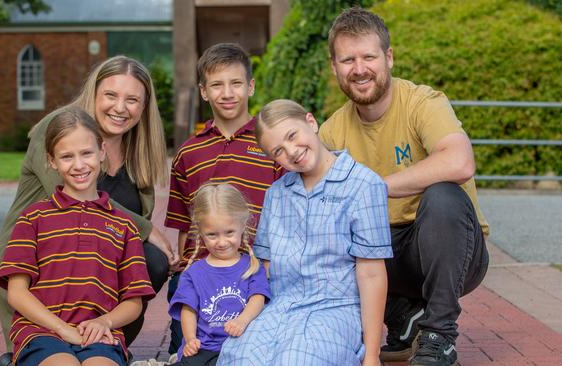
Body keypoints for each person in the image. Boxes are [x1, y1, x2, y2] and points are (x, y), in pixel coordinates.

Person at [319, 8, 490, 366]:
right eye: (348, 59)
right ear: (335, 67)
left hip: (454, 249)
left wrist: (376, 187)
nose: (359, 68)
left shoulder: (423, 103)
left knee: (442, 196)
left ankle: (439, 336)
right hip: (385, 252)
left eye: (369, 56)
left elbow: (459, 162)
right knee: (326, 221)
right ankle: (403, 318)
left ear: (389, 58)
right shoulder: (332, 131)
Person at [0, 56, 176, 366]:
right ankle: (28, 353)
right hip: (45, 268)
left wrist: (105, 323)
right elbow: (74, 200)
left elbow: (131, 249)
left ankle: (106, 344)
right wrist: (149, 229)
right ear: (93, 93)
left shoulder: (136, 151)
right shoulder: (61, 129)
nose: (120, 107)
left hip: (98, 284)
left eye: (132, 99)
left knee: (154, 262)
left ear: (144, 107)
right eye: (111, 95)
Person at [218, 99, 392, 366]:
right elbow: (265, 266)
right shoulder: (277, 193)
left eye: (292, 135)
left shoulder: (364, 185)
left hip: (336, 309)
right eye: (278, 150)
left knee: (295, 359)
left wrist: (372, 354)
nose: (292, 151)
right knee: (238, 355)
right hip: (280, 307)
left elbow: (371, 272)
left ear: (311, 122)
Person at [165, 43, 283, 355]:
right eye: (216, 85)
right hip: (203, 272)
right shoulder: (189, 153)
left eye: (236, 83)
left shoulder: (272, 143)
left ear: (251, 86)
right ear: (203, 91)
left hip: (253, 272)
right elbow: (182, 222)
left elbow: (288, 213)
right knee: (189, 351)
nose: (227, 93)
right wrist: (187, 273)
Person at [168, 183, 270, 366]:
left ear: (243, 226)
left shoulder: (253, 266)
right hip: (204, 347)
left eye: (229, 232)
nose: (222, 242)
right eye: (212, 235)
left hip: (242, 345)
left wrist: (242, 321)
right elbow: (188, 310)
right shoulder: (194, 273)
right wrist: (190, 339)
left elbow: (258, 298)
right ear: (201, 233)